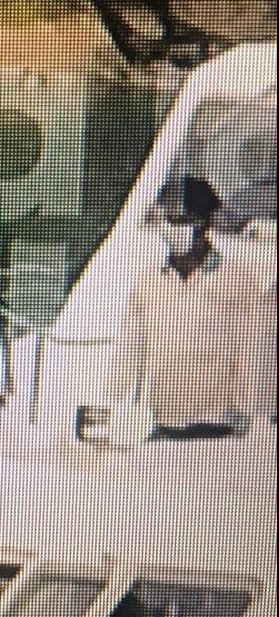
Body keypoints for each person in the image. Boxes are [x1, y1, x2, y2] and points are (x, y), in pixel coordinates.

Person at [111, 175, 261, 439]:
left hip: (218, 429)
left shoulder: (237, 280)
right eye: (165, 220)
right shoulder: (149, 281)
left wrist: (243, 415)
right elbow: (129, 352)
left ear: (203, 225)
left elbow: (251, 352)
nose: (169, 229)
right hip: (161, 428)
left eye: (178, 221)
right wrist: (114, 407)